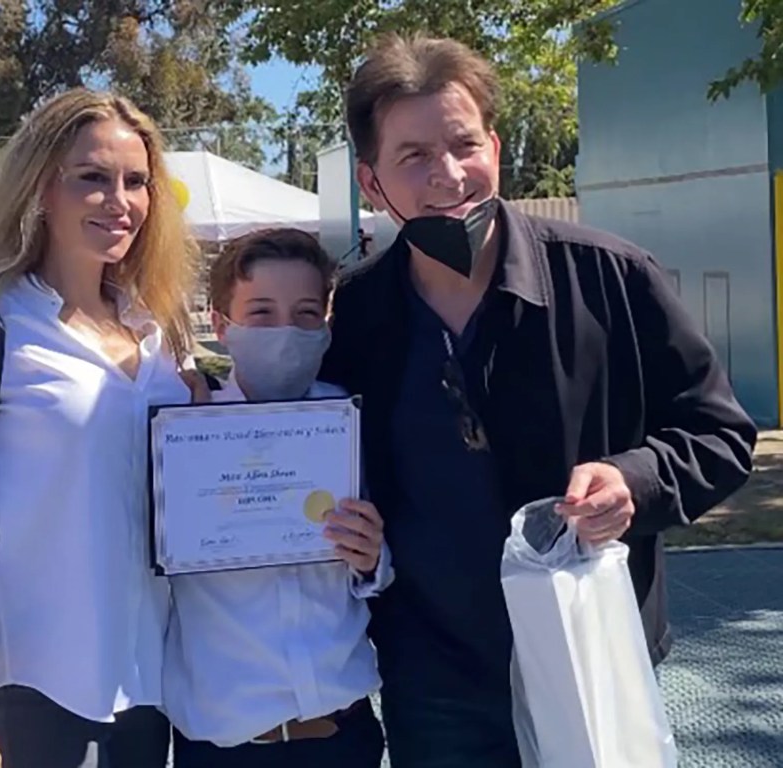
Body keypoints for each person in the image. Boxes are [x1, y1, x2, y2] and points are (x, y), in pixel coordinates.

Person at [319, 34, 757, 766]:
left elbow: (720, 434)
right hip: (436, 679)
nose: (448, 175)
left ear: (495, 146)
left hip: (594, 652)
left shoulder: (613, 278)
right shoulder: (358, 316)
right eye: (414, 156)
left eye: (464, 144)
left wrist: (635, 480)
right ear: (372, 184)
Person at [0, 89, 200, 768]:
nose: (118, 200)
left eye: (135, 181)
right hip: (37, 687)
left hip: (155, 687)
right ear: (40, 186)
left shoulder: (159, 338)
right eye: (90, 177)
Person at [166, 229, 391, 768]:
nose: (286, 331)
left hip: (346, 736)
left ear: (327, 325)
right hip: (227, 747)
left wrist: (372, 560)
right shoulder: (179, 433)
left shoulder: (352, 423)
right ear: (222, 324)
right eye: (261, 312)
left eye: (307, 313)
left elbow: (384, 568)